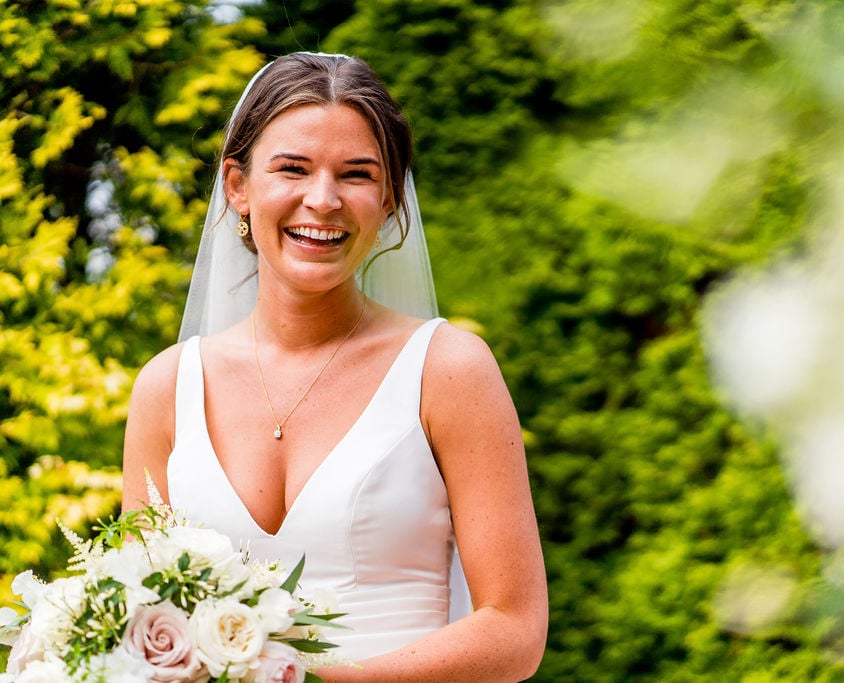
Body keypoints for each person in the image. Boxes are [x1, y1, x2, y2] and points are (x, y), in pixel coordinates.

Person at [121, 52, 548, 681]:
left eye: (356, 174)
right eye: (292, 169)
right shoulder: (167, 387)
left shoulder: (448, 369)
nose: (322, 200)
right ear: (238, 185)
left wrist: (317, 680)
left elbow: (514, 628)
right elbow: (135, 615)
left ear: (389, 196)